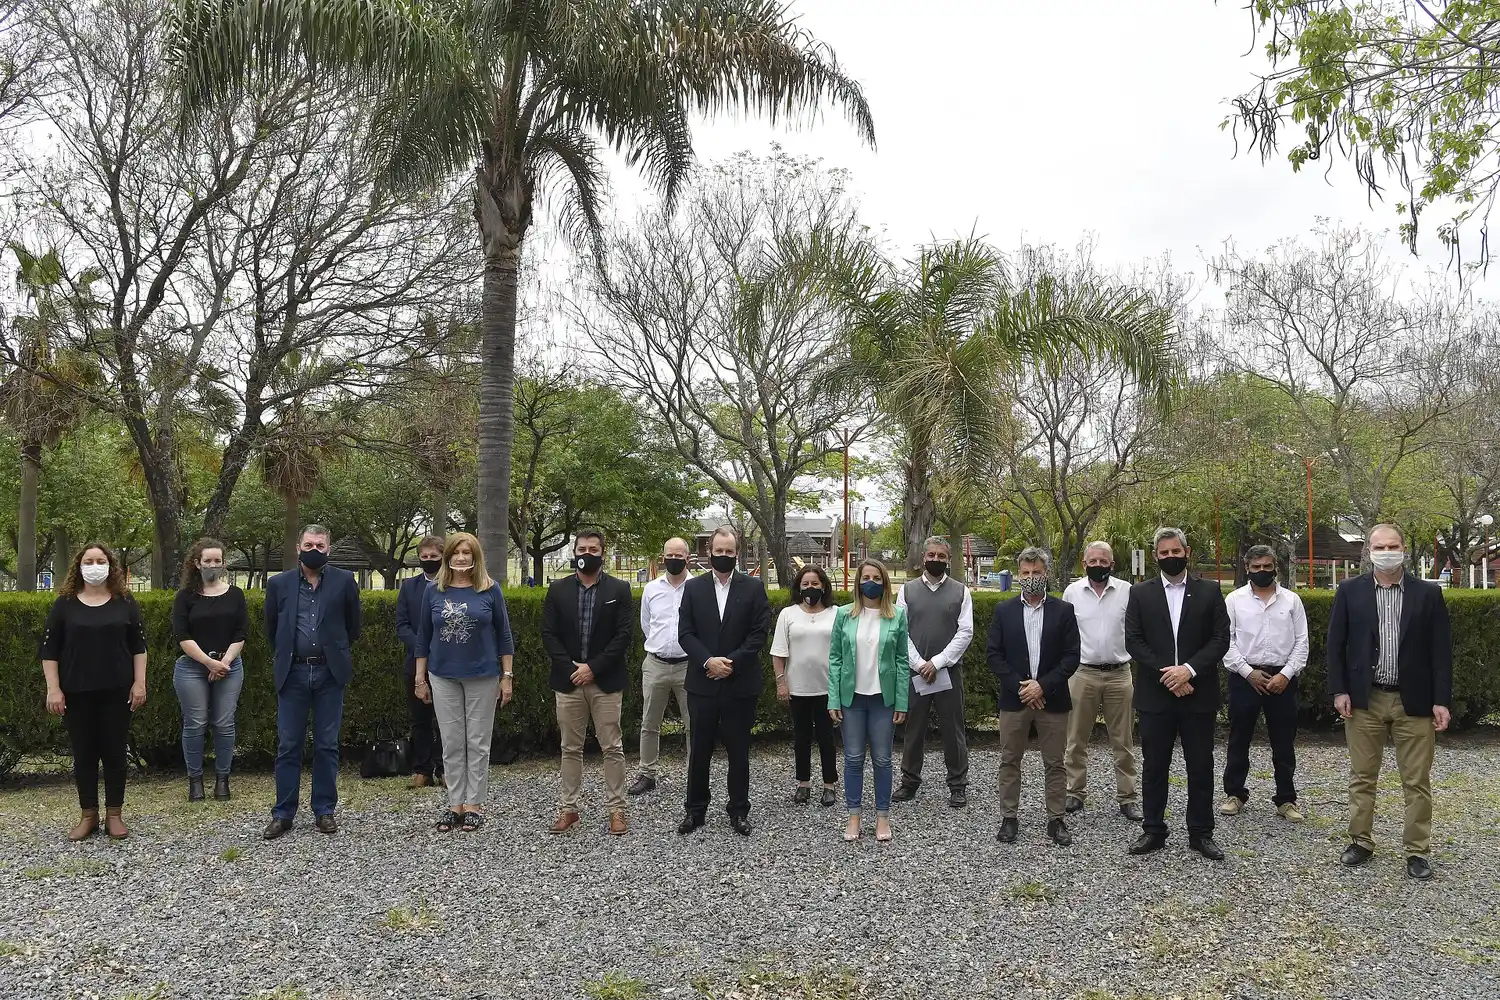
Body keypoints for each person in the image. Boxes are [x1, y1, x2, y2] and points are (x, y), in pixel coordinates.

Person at [1328, 523, 1453, 880]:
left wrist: (1441, 700)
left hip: (1414, 701)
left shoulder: (1428, 594)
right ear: (1368, 551)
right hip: (1365, 699)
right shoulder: (1349, 591)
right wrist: (1339, 690)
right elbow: (1335, 646)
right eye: (1380, 547)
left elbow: (1441, 652)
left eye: (1393, 546)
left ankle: (1417, 851)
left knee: (1416, 781)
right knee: (1362, 777)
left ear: (1404, 549)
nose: (1387, 552)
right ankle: (1360, 841)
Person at [1124, 527, 1230, 861]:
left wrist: (1189, 670)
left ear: (1187, 552)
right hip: (1156, 695)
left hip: (1198, 693)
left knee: (1200, 766)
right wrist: (1169, 674)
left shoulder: (1210, 591)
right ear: (1155, 556)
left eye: (1175, 551)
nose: (1170, 557)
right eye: (1164, 553)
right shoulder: (1140, 593)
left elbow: (1220, 639)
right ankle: (1153, 830)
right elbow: (1134, 641)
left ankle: (1201, 832)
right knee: (1155, 766)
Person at [39, 543, 148, 841]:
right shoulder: (64, 604)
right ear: (79, 566)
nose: (95, 566)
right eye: (89, 561)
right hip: (76, 693)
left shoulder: (125, 601)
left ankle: (114, 815)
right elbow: (49, 650)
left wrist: (140, 683)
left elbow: (139, 646)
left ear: (110, 565)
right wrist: (53, 689)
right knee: (84, 755)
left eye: (101, 560)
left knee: (114, 753)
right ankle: (88, 815)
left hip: (118, 692)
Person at [262, 524, 362, 840]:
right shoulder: (278, 584)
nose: (314, 550)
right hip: (292, 673)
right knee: (288, 745)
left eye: (320, 545)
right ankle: (283, 813)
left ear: (328, 549)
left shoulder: (345, 581)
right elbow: (272, 629)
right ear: (298, 548)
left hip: (329, 674)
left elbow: (353, 627)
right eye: (309, 545)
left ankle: (324, 810)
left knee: (327, 744)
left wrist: (334, 654)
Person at [413, 532, 515, 832]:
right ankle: (455, 804)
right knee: (452, 742)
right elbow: (423, 637)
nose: (460, 558)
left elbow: (504, 636)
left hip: (483, 675)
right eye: (456, 552)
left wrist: (507, 677)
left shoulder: (490, 589)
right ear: (448, 557)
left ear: (475, 557)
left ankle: (474, 805)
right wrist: (420, 677)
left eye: (466, 553)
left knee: (478, 742)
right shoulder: (434, 591)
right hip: (442, 676)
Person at [677, 525, 771, 837]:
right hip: (702, 683)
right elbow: (685, 633)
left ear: (737, 553)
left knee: (739, 751)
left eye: (729, 551)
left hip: (739, 683)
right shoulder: (694, 588)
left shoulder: (753, 587)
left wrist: (731, 663)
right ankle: (695, 811)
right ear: (709, 552)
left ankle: (739, 811)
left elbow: (759, 632)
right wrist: (709, 661)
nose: (724, 555)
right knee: (699, 750)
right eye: (719, 551)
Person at [541, 529, 633, 836]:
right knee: (570, 747)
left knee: (612, 747)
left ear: (603, 553)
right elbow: (549, 634)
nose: (587, 554)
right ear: (574, 552)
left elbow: (623, 636)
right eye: (582, 549)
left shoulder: (619, 589)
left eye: (593, 549)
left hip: (605, 681)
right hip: (568, 681)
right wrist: (573, 669)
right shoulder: (558, 589)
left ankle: (617, 810)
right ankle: (569, 809)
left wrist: (593, 668)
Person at [987, 547, 1081, 847]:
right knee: (1009, 760)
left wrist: (1043, 686)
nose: (1031, 578)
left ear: (1046, 573)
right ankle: (1009, 818)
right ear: (1018, 575)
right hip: (1014, 701)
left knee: (1055, 762)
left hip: (1052, 700)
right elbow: (994, 655)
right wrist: (1023, 688)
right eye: (1025, 573)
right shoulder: (1004, 611)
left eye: (1036, 572)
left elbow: (1071, 656)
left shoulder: (1064, 611)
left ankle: (1056, 819)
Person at [1220, 545, 1308, 823]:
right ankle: (1234, 794)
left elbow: (1302, 642)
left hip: (1283, 679)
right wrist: (1248, 673)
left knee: (1284, 743)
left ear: (1275, 568)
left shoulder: (1292, 600)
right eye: (1256, 567)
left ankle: (1286, 799)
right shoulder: (1234, 600)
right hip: (1245, 678)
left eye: (1267, 566)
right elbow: (1226, 642)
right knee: (1239, 739)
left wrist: (1286, 674)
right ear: (1247, 568)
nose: (1262, 571)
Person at [828, 559, 909, 842]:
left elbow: (902, 661)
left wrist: (901, 702)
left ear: (884, 582)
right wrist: (833, 698)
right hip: (851, 698)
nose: (870, 582)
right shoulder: (843, 614)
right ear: (858, 581)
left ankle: (882, 817)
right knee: (853, 759)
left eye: (876, 578)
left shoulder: (897, 615)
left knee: (883, 760)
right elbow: (835, 658)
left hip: (882, 700)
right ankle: (854, 816)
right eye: (865, 577)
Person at [1061, 541, 1141, 821]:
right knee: (1075, 738)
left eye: (1103, 561)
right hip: (1083, 673)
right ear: (1084, 564)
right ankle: (1074, 792)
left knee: (1123, 741)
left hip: (1120, 674)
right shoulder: (1072, 592)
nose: (1098, 565)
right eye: (1093, 561)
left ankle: (1128, 797)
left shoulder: (1127, 592)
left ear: (1112, 564)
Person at [893, 536, 974, 808]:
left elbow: (965, 632)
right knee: (913, 729)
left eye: (941, 556)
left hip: (948, 673)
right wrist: (919, 664)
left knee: (954, 730)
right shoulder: (906, 591)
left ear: (948, 559)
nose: (935, 559)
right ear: (923, 558)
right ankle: (909, 782)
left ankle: (958, 785)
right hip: (916, 673)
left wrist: (937, 662)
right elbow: (900, 631)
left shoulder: (961, 592)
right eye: (931, 555)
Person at [172, 537, 249, 802]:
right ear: (197, 563)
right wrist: (208, 662)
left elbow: (241, 632)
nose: (213, 565)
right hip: (192, 667)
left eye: (218, 560)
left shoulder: (235, 595)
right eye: (208, 560)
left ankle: (222, 779)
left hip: (229, 666)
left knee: (224, 723)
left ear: (224, 563)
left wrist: (224, 663)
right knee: (195, 723)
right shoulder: (185, 597)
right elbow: (182, 635)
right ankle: (195, 781)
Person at [629, 537, 694, 796]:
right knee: (649, 722)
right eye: (670, 555)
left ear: (688, 558)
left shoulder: (698, 588)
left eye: (679, 555)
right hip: (655, 664)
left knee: (693, 723)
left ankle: (695, 774)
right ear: (663, 556)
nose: (674, 559)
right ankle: (647, 774)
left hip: (689, 665)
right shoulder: (651, 589)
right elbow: (647, 625)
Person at [771, 565, 839, 806]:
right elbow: (779, 653)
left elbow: (843, 652)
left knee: (827, 738)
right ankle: (803, 783)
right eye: (806, 584)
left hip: (827, 688)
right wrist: (781, 682)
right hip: (797, 688)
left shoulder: (836, 614)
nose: (811, 588)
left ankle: (829, 784)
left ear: (824, 586)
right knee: (801, 738)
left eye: (815, 584)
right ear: (799, 587)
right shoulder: (788, 614)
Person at [396, 535, 445, 788]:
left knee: (446, 720)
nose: (428, 560)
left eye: (433, 557)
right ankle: (422, 769)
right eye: (424, 557)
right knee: (420, 719)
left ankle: (445, 768)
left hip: (446, 662)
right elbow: (402, 624)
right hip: (415, 662)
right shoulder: (408, 587)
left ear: (443, 557)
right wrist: (421, 647)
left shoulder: (453, 585)